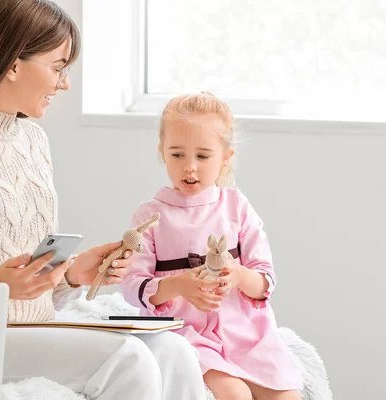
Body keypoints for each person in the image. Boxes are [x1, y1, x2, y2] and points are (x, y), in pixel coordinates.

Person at [0, 1, 206, 399]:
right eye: (58, 66)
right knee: (127, 359)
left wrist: (72, 273)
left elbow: (31, 281)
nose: (65, 84)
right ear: (12, 64)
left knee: (175, 350)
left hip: (33, 326)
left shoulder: (33, 142)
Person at [121, 92, 304, 400]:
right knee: (235, 394)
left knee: (288, 397)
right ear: (162, 153)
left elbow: (264, 280)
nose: (189, 168)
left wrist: (239, 276)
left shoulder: (237, 206)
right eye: (177, 155)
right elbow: (131, 286)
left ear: (225, 157)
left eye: (203, 157)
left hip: (245, 334)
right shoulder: (151, 215)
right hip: (187, 333)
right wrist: (178, 285)